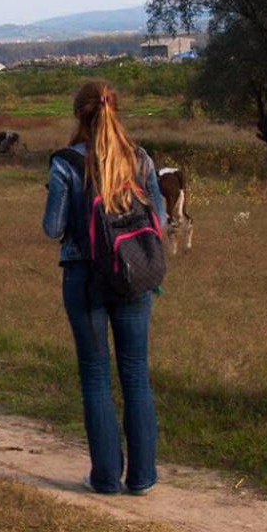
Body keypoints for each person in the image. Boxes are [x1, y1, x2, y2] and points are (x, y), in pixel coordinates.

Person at [42, 80, 167, 495]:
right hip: (135, 279)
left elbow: (52, 228)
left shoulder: (65, 163)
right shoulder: (141, 159)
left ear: (79, 114)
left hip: (84, 278)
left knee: (95, 377)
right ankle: (143, 476)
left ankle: (106, 478)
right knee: (135, 374)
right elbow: (159, 223)